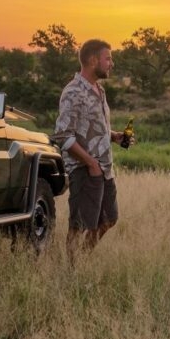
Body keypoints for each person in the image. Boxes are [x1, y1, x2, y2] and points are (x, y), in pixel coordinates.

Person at [54, 39, 127, 265]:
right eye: (108, 58)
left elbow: (93, 127)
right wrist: (90, 163)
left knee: (109, 219)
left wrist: (114, 136)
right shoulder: (73, 92)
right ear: (93, 60)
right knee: (79, 225)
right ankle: (71, 270)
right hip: (84, 170)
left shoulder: (99, 89)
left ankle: (83, 260)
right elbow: (63, 136)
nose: (111, 64)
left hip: (105, 169)